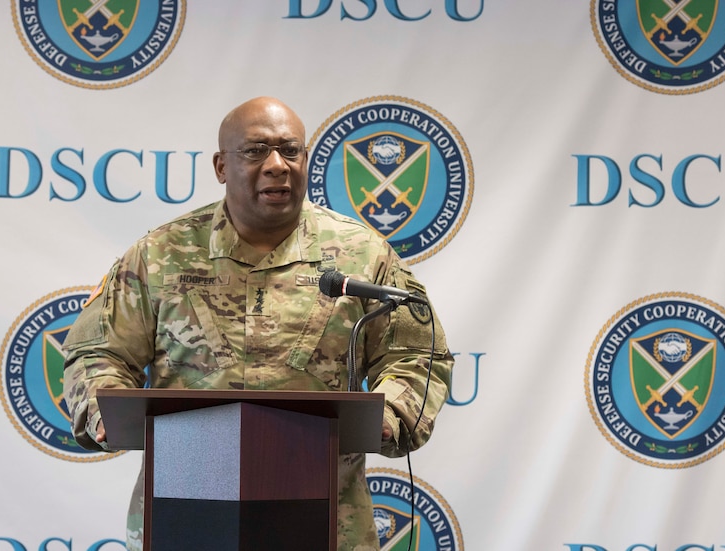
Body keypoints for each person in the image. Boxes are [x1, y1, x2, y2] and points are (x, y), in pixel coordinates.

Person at [62, 96, 454, 551]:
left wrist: (391, 414)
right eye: (254, 151)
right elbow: (98, 352)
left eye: (290, 151)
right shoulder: (159, 254)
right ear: (220, 166)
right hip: (186, 508)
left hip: (327, 517)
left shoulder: (364, 256)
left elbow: (415, 355)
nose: (276, 165)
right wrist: (101, 408)